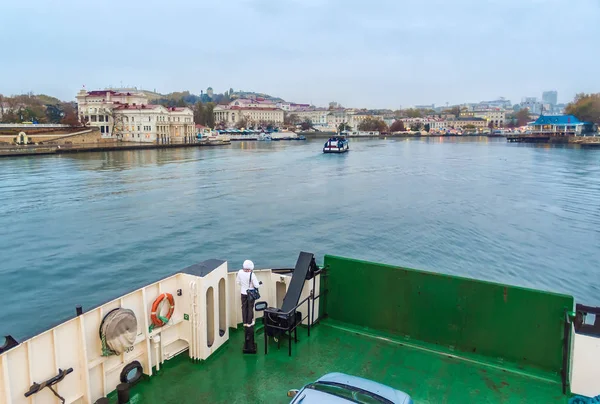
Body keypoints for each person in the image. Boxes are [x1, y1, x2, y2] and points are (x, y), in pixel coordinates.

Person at [236, 259, 261, 327]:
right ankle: (249, 323)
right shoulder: (252, 274)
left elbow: (238, 282)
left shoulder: (240, 272)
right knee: (250, 307)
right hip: (250, 294)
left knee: (244, 307)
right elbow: (256, 285)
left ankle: (244, 322)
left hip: (243, 293)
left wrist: (244, 285)